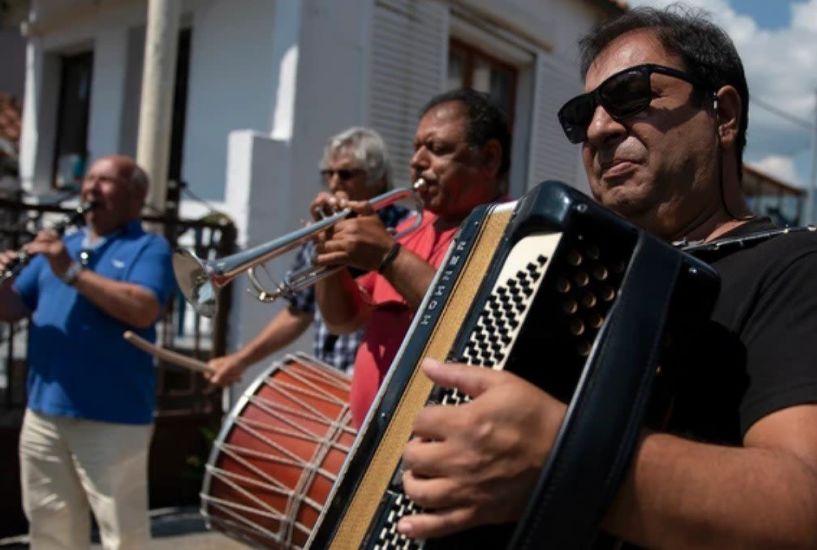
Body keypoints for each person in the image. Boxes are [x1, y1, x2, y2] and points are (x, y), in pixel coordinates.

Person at [396, 6, 817, 548]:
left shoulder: (793, 265)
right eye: (582, 114)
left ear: (724, 114)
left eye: (631, 96)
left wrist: (562, 456)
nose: (597, 129)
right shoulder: (585, 278)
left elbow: (804, 503)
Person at [0, 155, 175, 549]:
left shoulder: (149, 247)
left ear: (136, 196)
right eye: (90, 179)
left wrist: (73, 273)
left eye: (106, 181)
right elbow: (13, 309)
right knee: (49, 528)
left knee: (122, 533)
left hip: (113, 417)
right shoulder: (63, 246)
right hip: (45, 412)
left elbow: (144, 308)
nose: (91, 188)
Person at [314, 88, 511, 426]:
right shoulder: (411, 225)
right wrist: (330, 259)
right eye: (416, 147)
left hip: (431, 453)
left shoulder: (509, 230)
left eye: (436, 149)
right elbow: (345, 321)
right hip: (369, 444)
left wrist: (389, 256)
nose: (416, 161)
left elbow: (468, 322)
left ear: (489, 159)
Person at [205, 127, 406, 385]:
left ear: (377, 179)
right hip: (331, 382)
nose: (334, 183)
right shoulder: (324, 229)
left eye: (346, 174)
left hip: (384, 380)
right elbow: (299, 311)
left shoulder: (404, 227)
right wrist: (241, 359)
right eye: (328, 174)